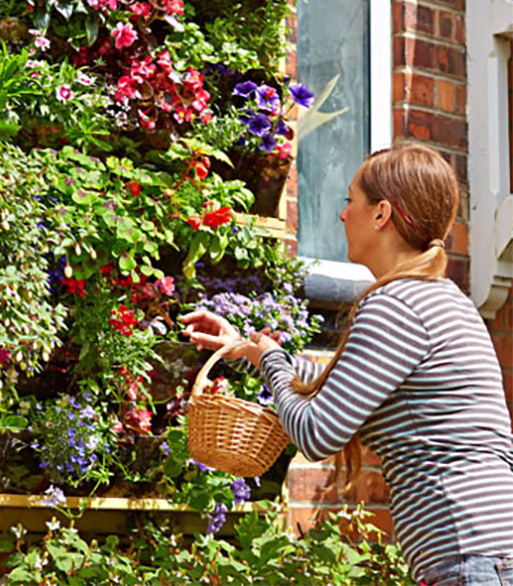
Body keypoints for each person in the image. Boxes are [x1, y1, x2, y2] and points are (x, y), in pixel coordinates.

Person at [180, 143, 513, 586]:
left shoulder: (396, 306)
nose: (341, 215)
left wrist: (274, 362)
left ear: (381, 214)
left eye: (349, 200)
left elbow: (316, 431)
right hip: (483, 549)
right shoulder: (437, 297)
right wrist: (249, 352)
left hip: (467, 554)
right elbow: (343, 388)